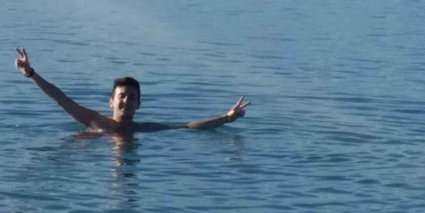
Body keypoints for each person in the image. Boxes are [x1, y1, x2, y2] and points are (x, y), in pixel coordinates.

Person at [14, 47, 250, 133]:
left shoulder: (146, 129)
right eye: (122, 96)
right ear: (111, 102)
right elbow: (61, 99)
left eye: (132, 98)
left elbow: (189, 126)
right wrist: (31, 74)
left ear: (139, 104)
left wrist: (226, 118)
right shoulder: (95, 122)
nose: (126, 101)